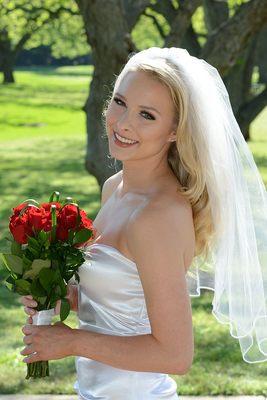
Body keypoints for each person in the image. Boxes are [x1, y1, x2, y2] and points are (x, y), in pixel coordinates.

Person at [20, 47, 267, 399]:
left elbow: (175, 354)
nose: (122, 123)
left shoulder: (157, 217)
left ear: (174, 131)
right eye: (120, 102)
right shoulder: (114, 188)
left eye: (147, 115)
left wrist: (73, 341)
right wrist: (61, 299)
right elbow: (120, 303)